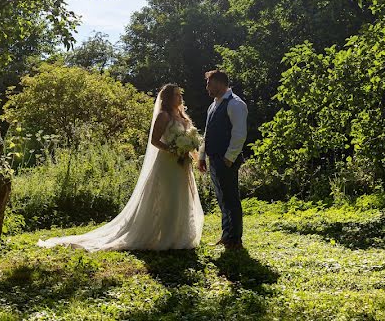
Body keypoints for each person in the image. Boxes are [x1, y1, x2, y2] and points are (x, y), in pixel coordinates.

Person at [37, 84, 203, 251]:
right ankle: (164, 237)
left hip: (182, 163)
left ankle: (179, 236)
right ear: (167, 98)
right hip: (167, 162)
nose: (180, 97)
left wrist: (192, 155)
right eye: (176, 95)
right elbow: (154, 140)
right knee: (168, 198)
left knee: (182, 196)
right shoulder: (163, 116)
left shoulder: (182, 115)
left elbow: (190, 140)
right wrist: (173, 149)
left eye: (180, 94)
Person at [197, 69, 248, 249]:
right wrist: (202, 156)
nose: (207, 87)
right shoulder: (213, 105)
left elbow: (239, 134)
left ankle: (235, 240)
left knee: (231, 199)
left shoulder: (235, 104)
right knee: (222, 199)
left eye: (209, 83)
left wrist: (229, 158)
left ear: (219, 83)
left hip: (226, 160)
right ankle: (227, 235)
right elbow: (207, 133)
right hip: (214, 158)